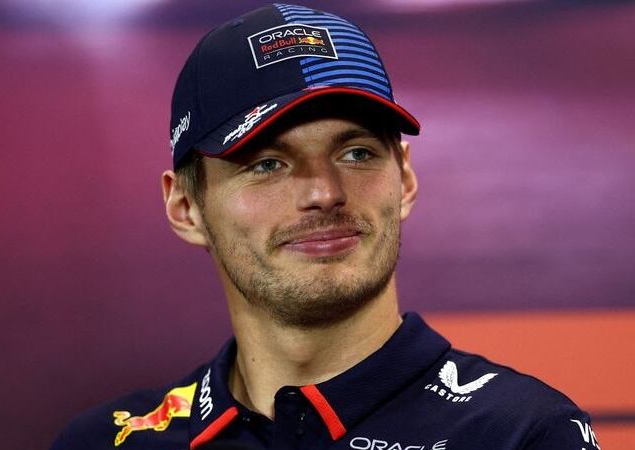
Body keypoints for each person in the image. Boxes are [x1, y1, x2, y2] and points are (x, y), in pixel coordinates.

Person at [52, 4, 600, 450]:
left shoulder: (519, 434)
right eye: (267, 163)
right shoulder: (109, 441)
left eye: (357, 153)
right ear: (185, 207)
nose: (324, 193)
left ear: (404, 179)